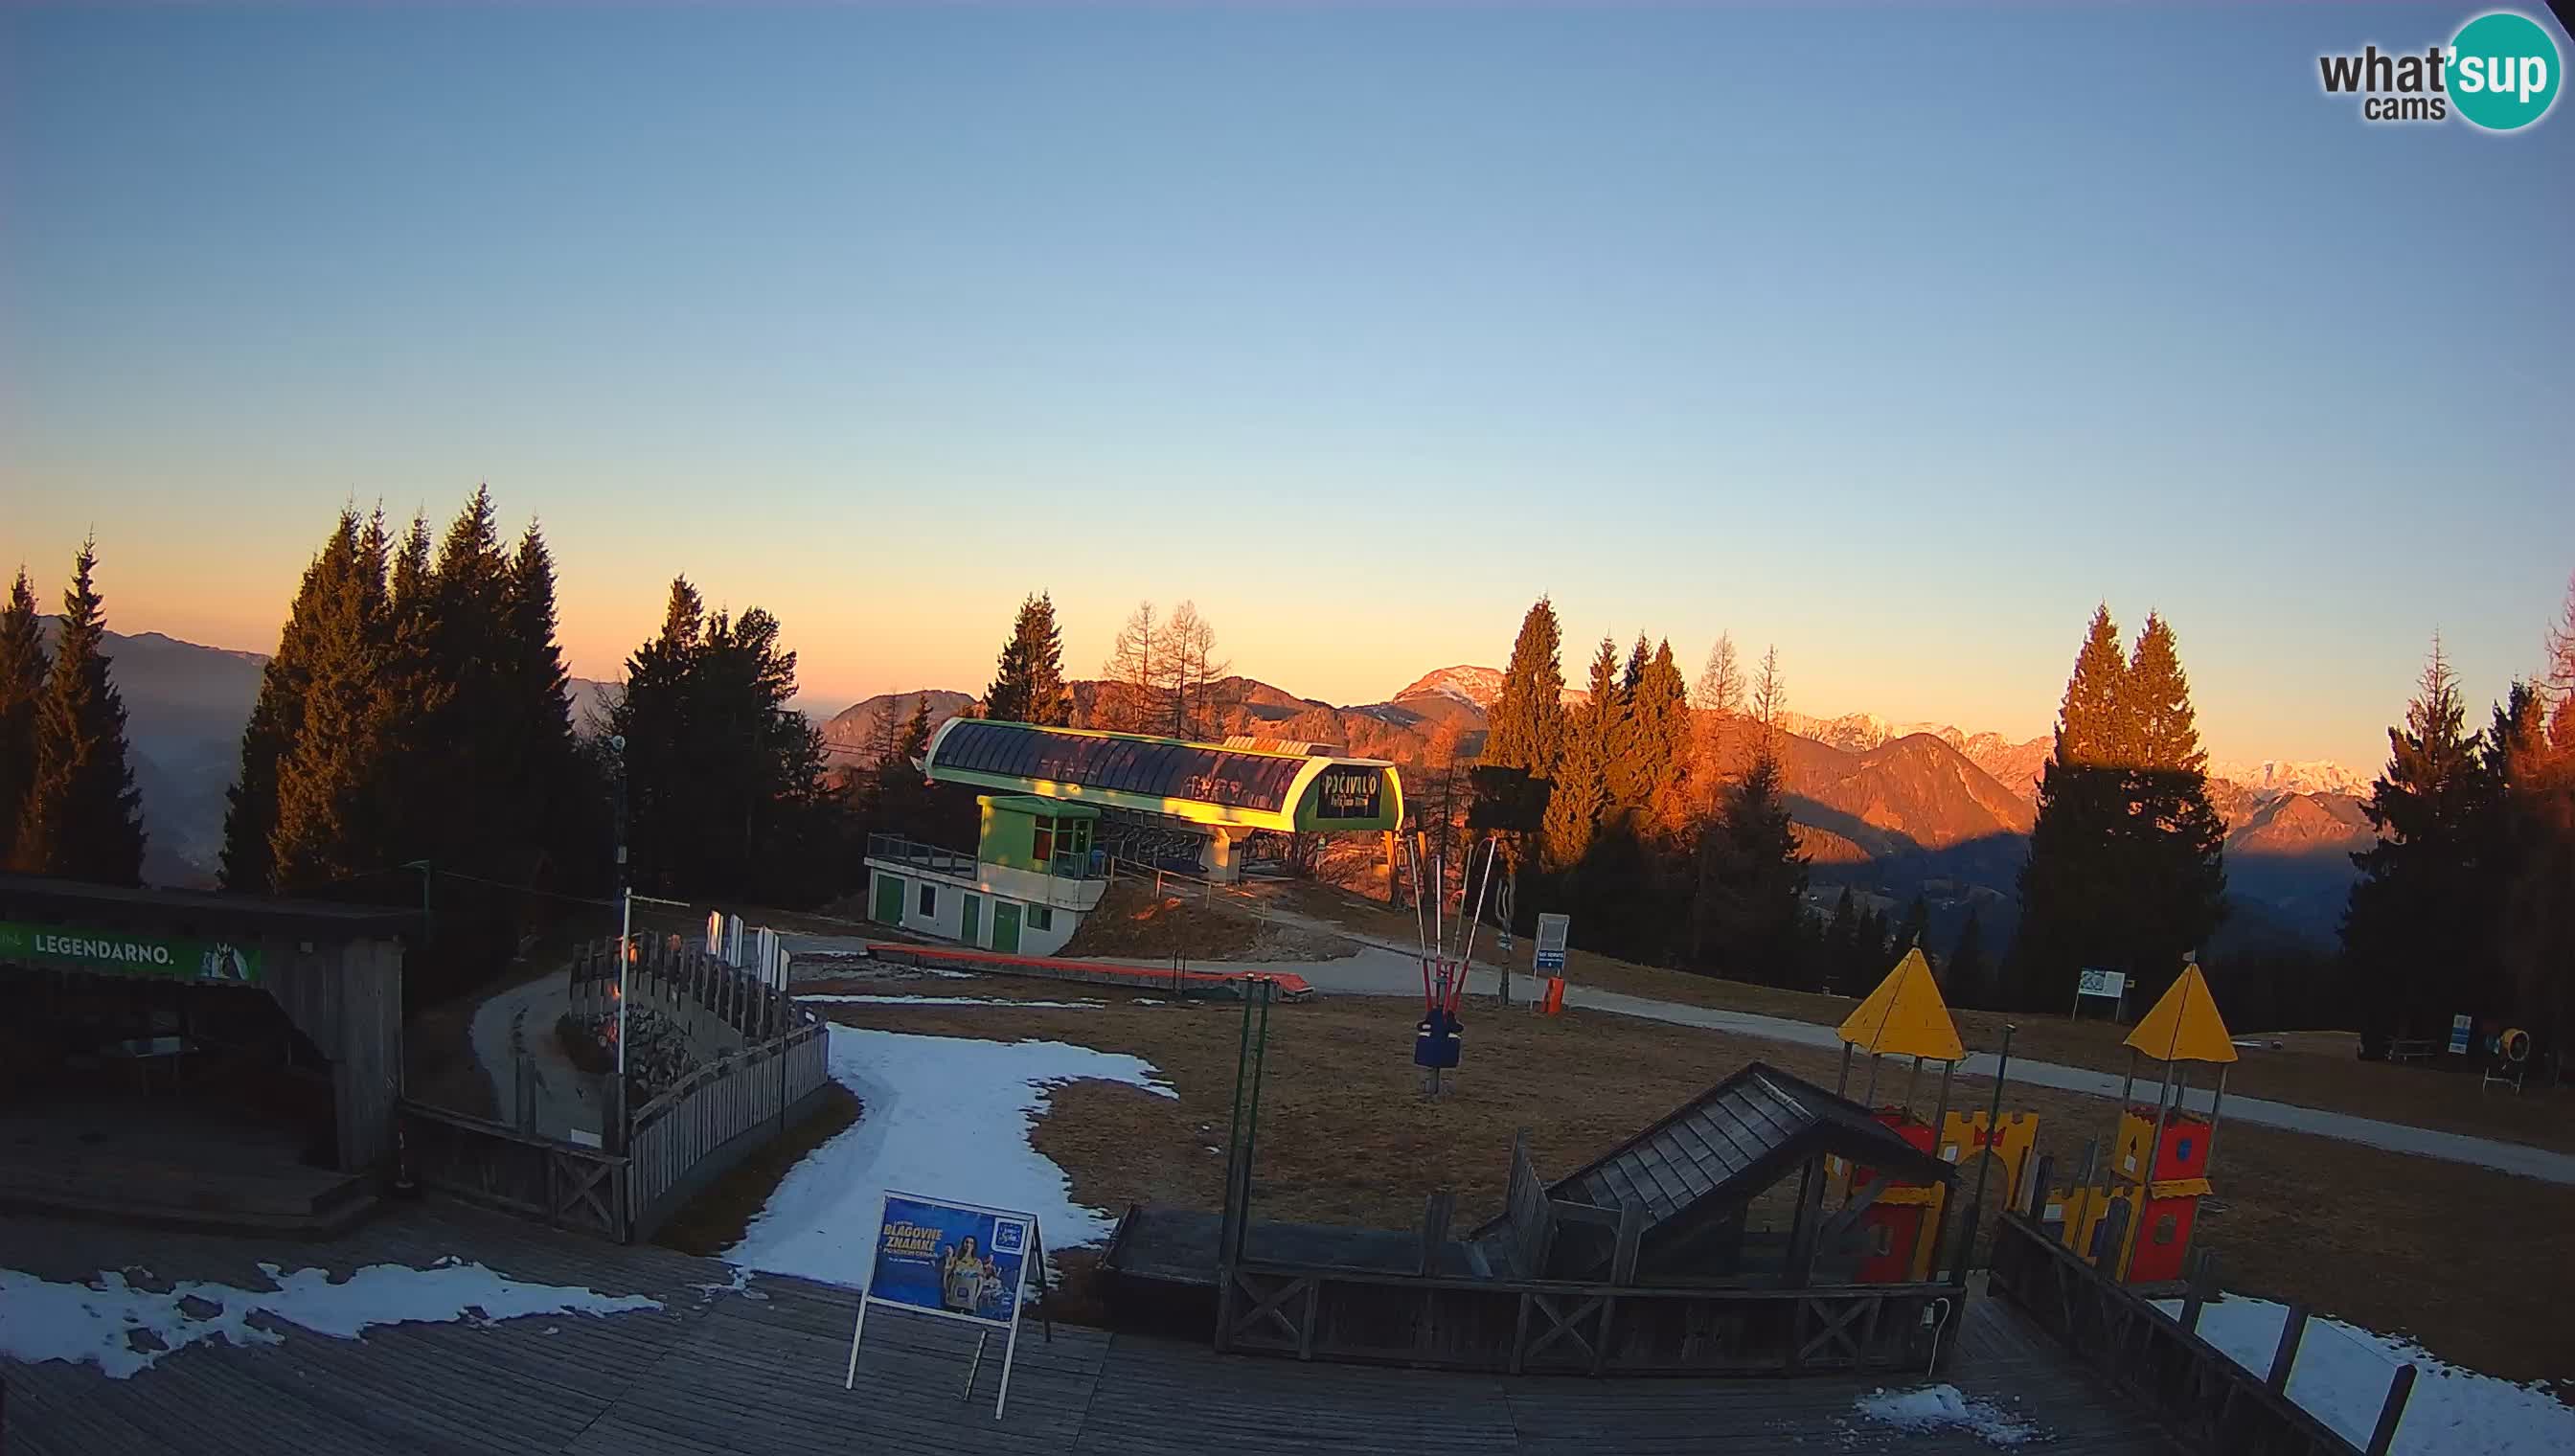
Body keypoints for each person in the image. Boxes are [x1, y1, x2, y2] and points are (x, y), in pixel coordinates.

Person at [940, 1235, 984, 1315]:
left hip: (968, 1303)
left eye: (971, 1243)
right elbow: (946, 1276)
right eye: (966, 1242)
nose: (968, 1245)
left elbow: (980, 1283)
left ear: (974, 1246)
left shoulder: (978, 1263)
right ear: (963, 1244)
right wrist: (947, 1292)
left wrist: (975, 1298)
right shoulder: (955, 1260)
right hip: (953, 1301)